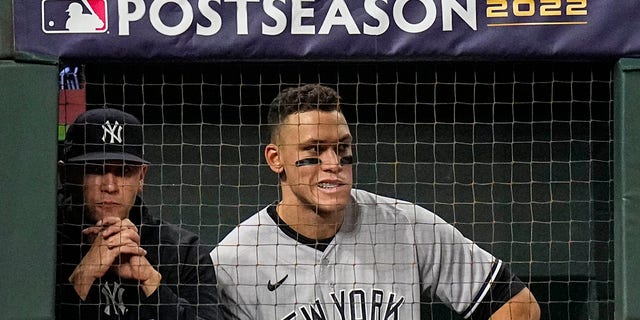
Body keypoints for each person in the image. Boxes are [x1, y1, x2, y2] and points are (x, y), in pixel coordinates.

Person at [211, 84, 540, 319]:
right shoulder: (235, 262)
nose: (333, 162)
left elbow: (518, 307)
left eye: (342, 147)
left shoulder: (405, 226)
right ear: (275, 158)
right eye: (314, 150)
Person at [56, 108, 221, 320]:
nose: (110, 186)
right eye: (95, 169)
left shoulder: (182, 252)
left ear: (141, 177)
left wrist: (151, 282)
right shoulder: (42, 250)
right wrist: (84, 274)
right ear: (66, 175)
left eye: (124, 171)